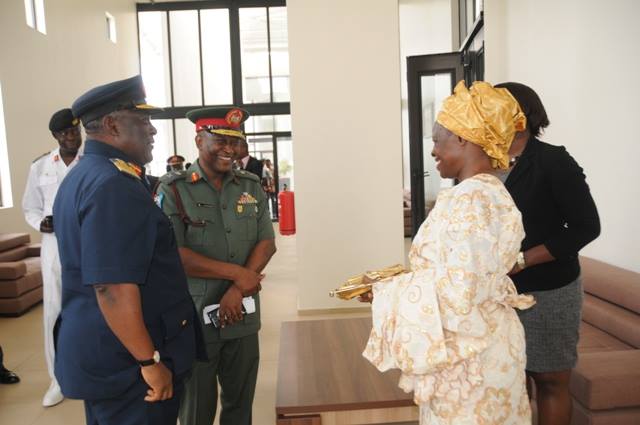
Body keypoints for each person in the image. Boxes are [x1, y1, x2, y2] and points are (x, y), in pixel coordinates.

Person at [361, 81, 534, 424]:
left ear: (463, 138)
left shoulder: (472, 199)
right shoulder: (487, 192)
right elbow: (464, 273)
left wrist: (384, 291)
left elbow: (458, 295)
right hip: (482, 343)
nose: (432, 151)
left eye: (437, 140)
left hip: (473, 358)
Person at [53, 75, 202, 425]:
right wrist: (149, 362)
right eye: (143, 119)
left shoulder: (86, 175)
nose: (152, 130)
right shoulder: (112, 185)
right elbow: (112, 287)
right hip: (128, 363)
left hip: (108, 350)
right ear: (112, 125)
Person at [156, 106, 277, 425]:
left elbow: (267, 242)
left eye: (235, 142)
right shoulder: (174, 188)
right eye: (220, 140)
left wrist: (237, 290)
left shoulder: (250, 185)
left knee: (240, 403)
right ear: (199, 140)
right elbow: (176, 255)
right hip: (195, 318)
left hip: (243, 314)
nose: (230, 149)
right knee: (197, 407)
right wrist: (240, 275)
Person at [494, 82, 600, 425]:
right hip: (496, 295)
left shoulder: (553, 161)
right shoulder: (483, 162)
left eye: (493, 107)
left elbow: (586, 227)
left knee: (550, 381)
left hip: (549, 292)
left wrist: (522, 260)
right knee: (509, 380)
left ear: (520, 117)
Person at [22, 107, 82, 407]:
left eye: (75, 130)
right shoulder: (41, 166)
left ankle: (91, 371)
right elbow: (30, 207)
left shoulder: (92, 161)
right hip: (54, 246)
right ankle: (57, 380)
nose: (73, 137)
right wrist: (40, 223)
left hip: (88, 243)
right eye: (66, 133)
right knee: (54, 312)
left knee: (95, 306)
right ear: (56, 136)